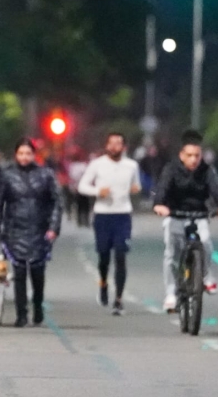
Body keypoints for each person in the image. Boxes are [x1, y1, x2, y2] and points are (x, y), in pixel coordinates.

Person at [152, 131, 218, 312]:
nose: (193, 159)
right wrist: (159, 205)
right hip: (175, 216)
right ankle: (171, 293)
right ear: (181, 155)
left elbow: (217, 189)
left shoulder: (207, 170)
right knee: (172, 255)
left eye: (197, 155)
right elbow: (162, 189)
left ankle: (206, 276)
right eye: (189, 156)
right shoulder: (171, 169)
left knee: (205, 243)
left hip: (199, 215)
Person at [0, 138, 63, 327]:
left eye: (28, 153)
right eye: (21, 153)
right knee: (19, 274)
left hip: (40, 230)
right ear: (16, 155)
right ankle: (21, 314)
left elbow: (56, 202)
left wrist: (53, 228)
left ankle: (38, 306)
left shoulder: (46, 175)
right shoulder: (7, 176)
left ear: (34, 155)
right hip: (15, 230)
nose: (24, 157)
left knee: (38, 273)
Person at [78, 132, 141, 316]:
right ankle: (103, 283)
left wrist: (135, 189)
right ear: (106, 146)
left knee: (121, 255)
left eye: (118, 143)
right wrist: (98, 191)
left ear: (124, 147)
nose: (115, 147)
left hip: (123, 215)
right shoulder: (97, 165)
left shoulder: (131, 165)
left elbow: (136, 185)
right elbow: (82, 186)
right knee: (104, 256)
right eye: (111, 143)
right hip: (102, 215)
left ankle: (119, 299)